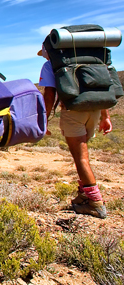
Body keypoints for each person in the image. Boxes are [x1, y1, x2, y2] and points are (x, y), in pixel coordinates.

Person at [38, 42, 111, 218]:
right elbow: (101, 88)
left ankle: (95, 202)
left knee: (80, 158)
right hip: (94, 109)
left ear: (49, 51)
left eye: (45, 53)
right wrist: (105, 116)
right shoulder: (90, 61)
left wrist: (44, 119)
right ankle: (83, 195)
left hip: (73, 112)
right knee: (83, 155)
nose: (45, 56)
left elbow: (49, 94)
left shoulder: (51, 65)